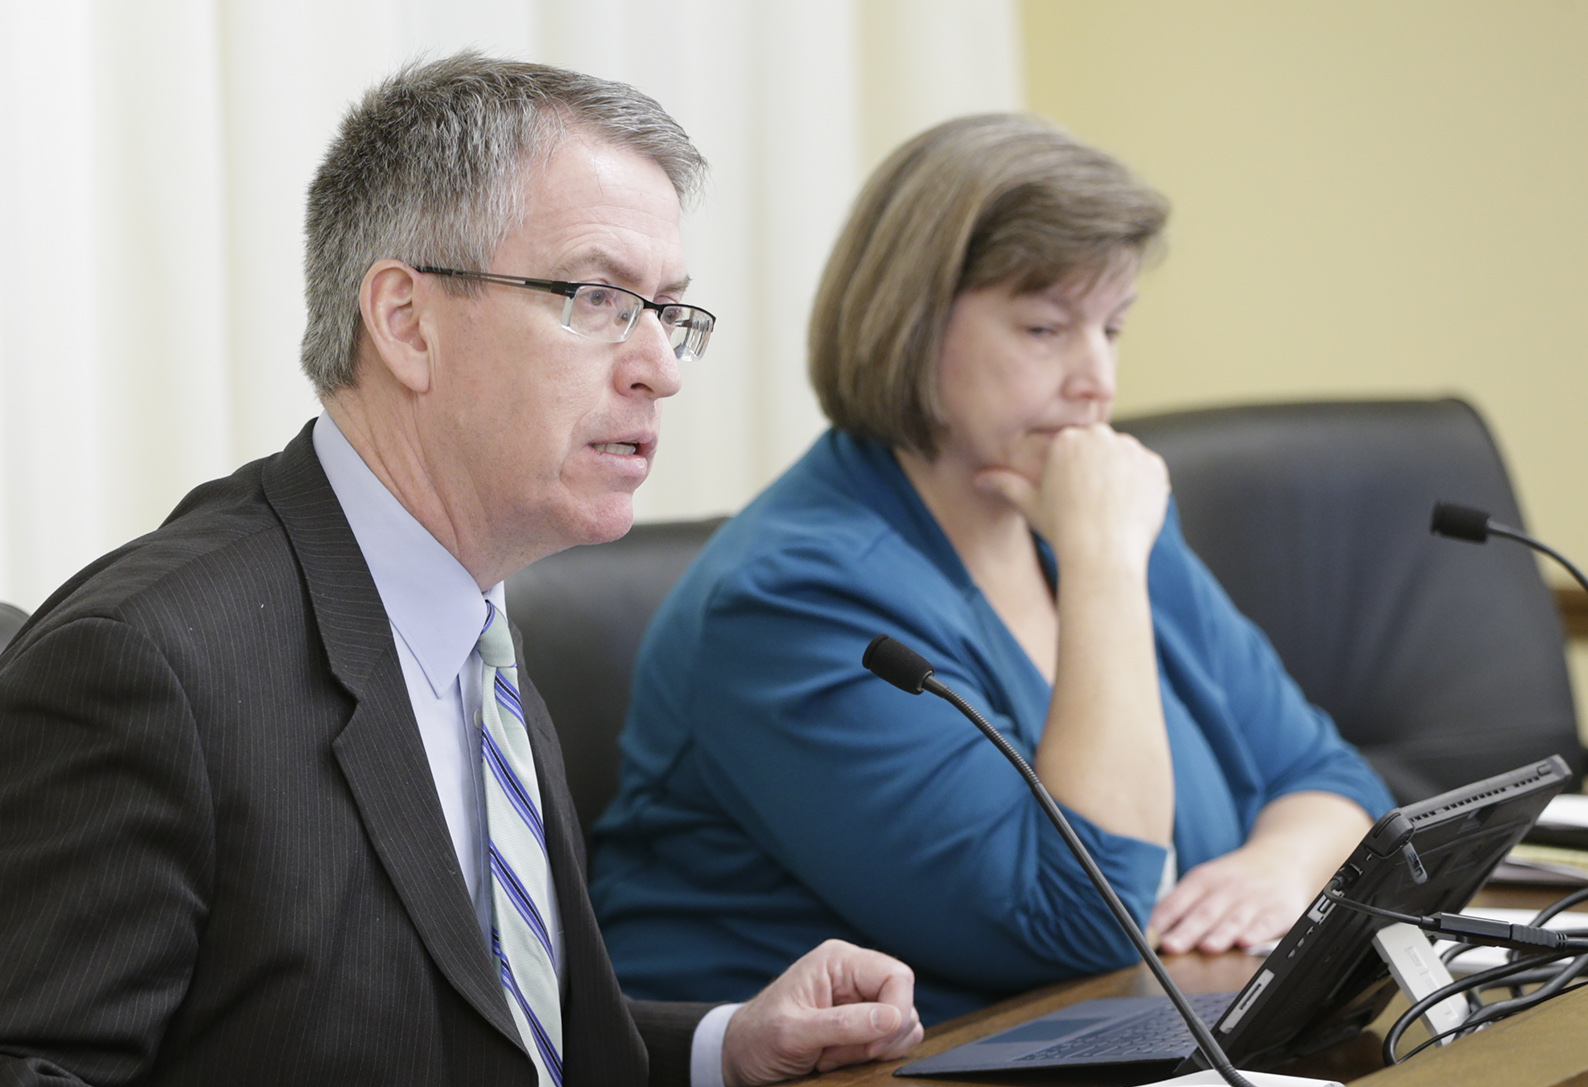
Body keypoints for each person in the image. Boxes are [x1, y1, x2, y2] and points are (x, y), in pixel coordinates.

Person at [0, 55, 924, 1087]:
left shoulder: (471, 633)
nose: (658, 366)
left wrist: (726, 1050)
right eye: (598, 299)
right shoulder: (151, 661)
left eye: (670, 312)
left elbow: (489, 1068)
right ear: (406, 322)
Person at [589, 114, 1394, 1027]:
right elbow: (1084, 919)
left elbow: (1334, 778)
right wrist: (1100, 562)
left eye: (1113, 328)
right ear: (912, 326)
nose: (1098, 380)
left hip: (1103, 1052)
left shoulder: (1095, 517)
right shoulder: (791, 599)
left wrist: (1280, 867)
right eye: (1047, 328)